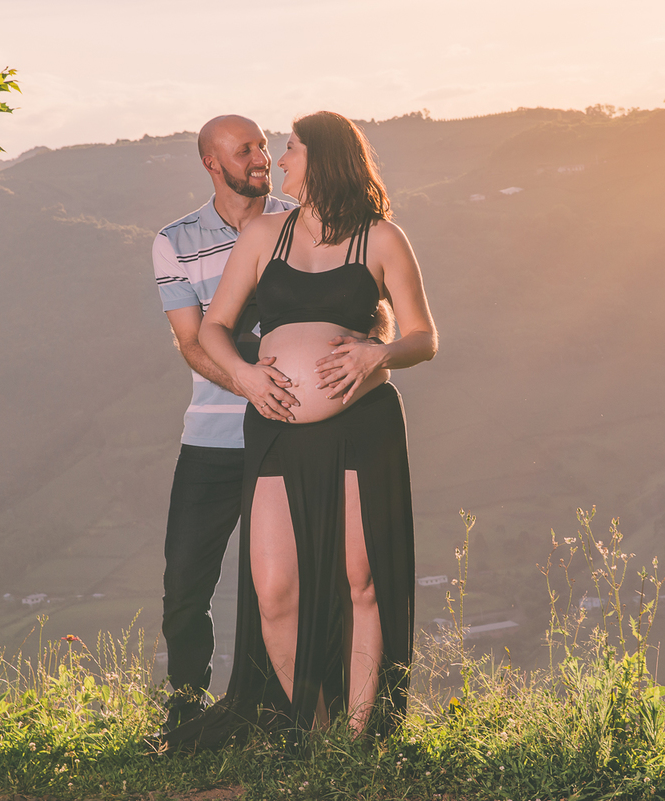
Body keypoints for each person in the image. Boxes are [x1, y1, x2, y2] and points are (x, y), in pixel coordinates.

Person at [184, 110, 438, 744]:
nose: (279, 159)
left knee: (363, 581)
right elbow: (214, 327)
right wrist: (243, 376)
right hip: (276, 428)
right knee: (274, 590)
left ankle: (357, 737)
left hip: (362, 424)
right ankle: (314, 731)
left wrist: (379, 354)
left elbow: (423, 337)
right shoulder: (264, 234)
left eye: (291, 148)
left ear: (323, 159)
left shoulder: (381, 238)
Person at [151, 115, 298, 732]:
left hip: (291, 432)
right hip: (211, 437)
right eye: (246, 150)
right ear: (212, 163)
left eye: (263, 145)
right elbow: (190, 342)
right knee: (185, 583)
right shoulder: (174, 241)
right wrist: (247, 383)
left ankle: (275, 713)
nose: (261, 156)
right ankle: (185, 714)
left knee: (280, 585)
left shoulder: (300, 221)